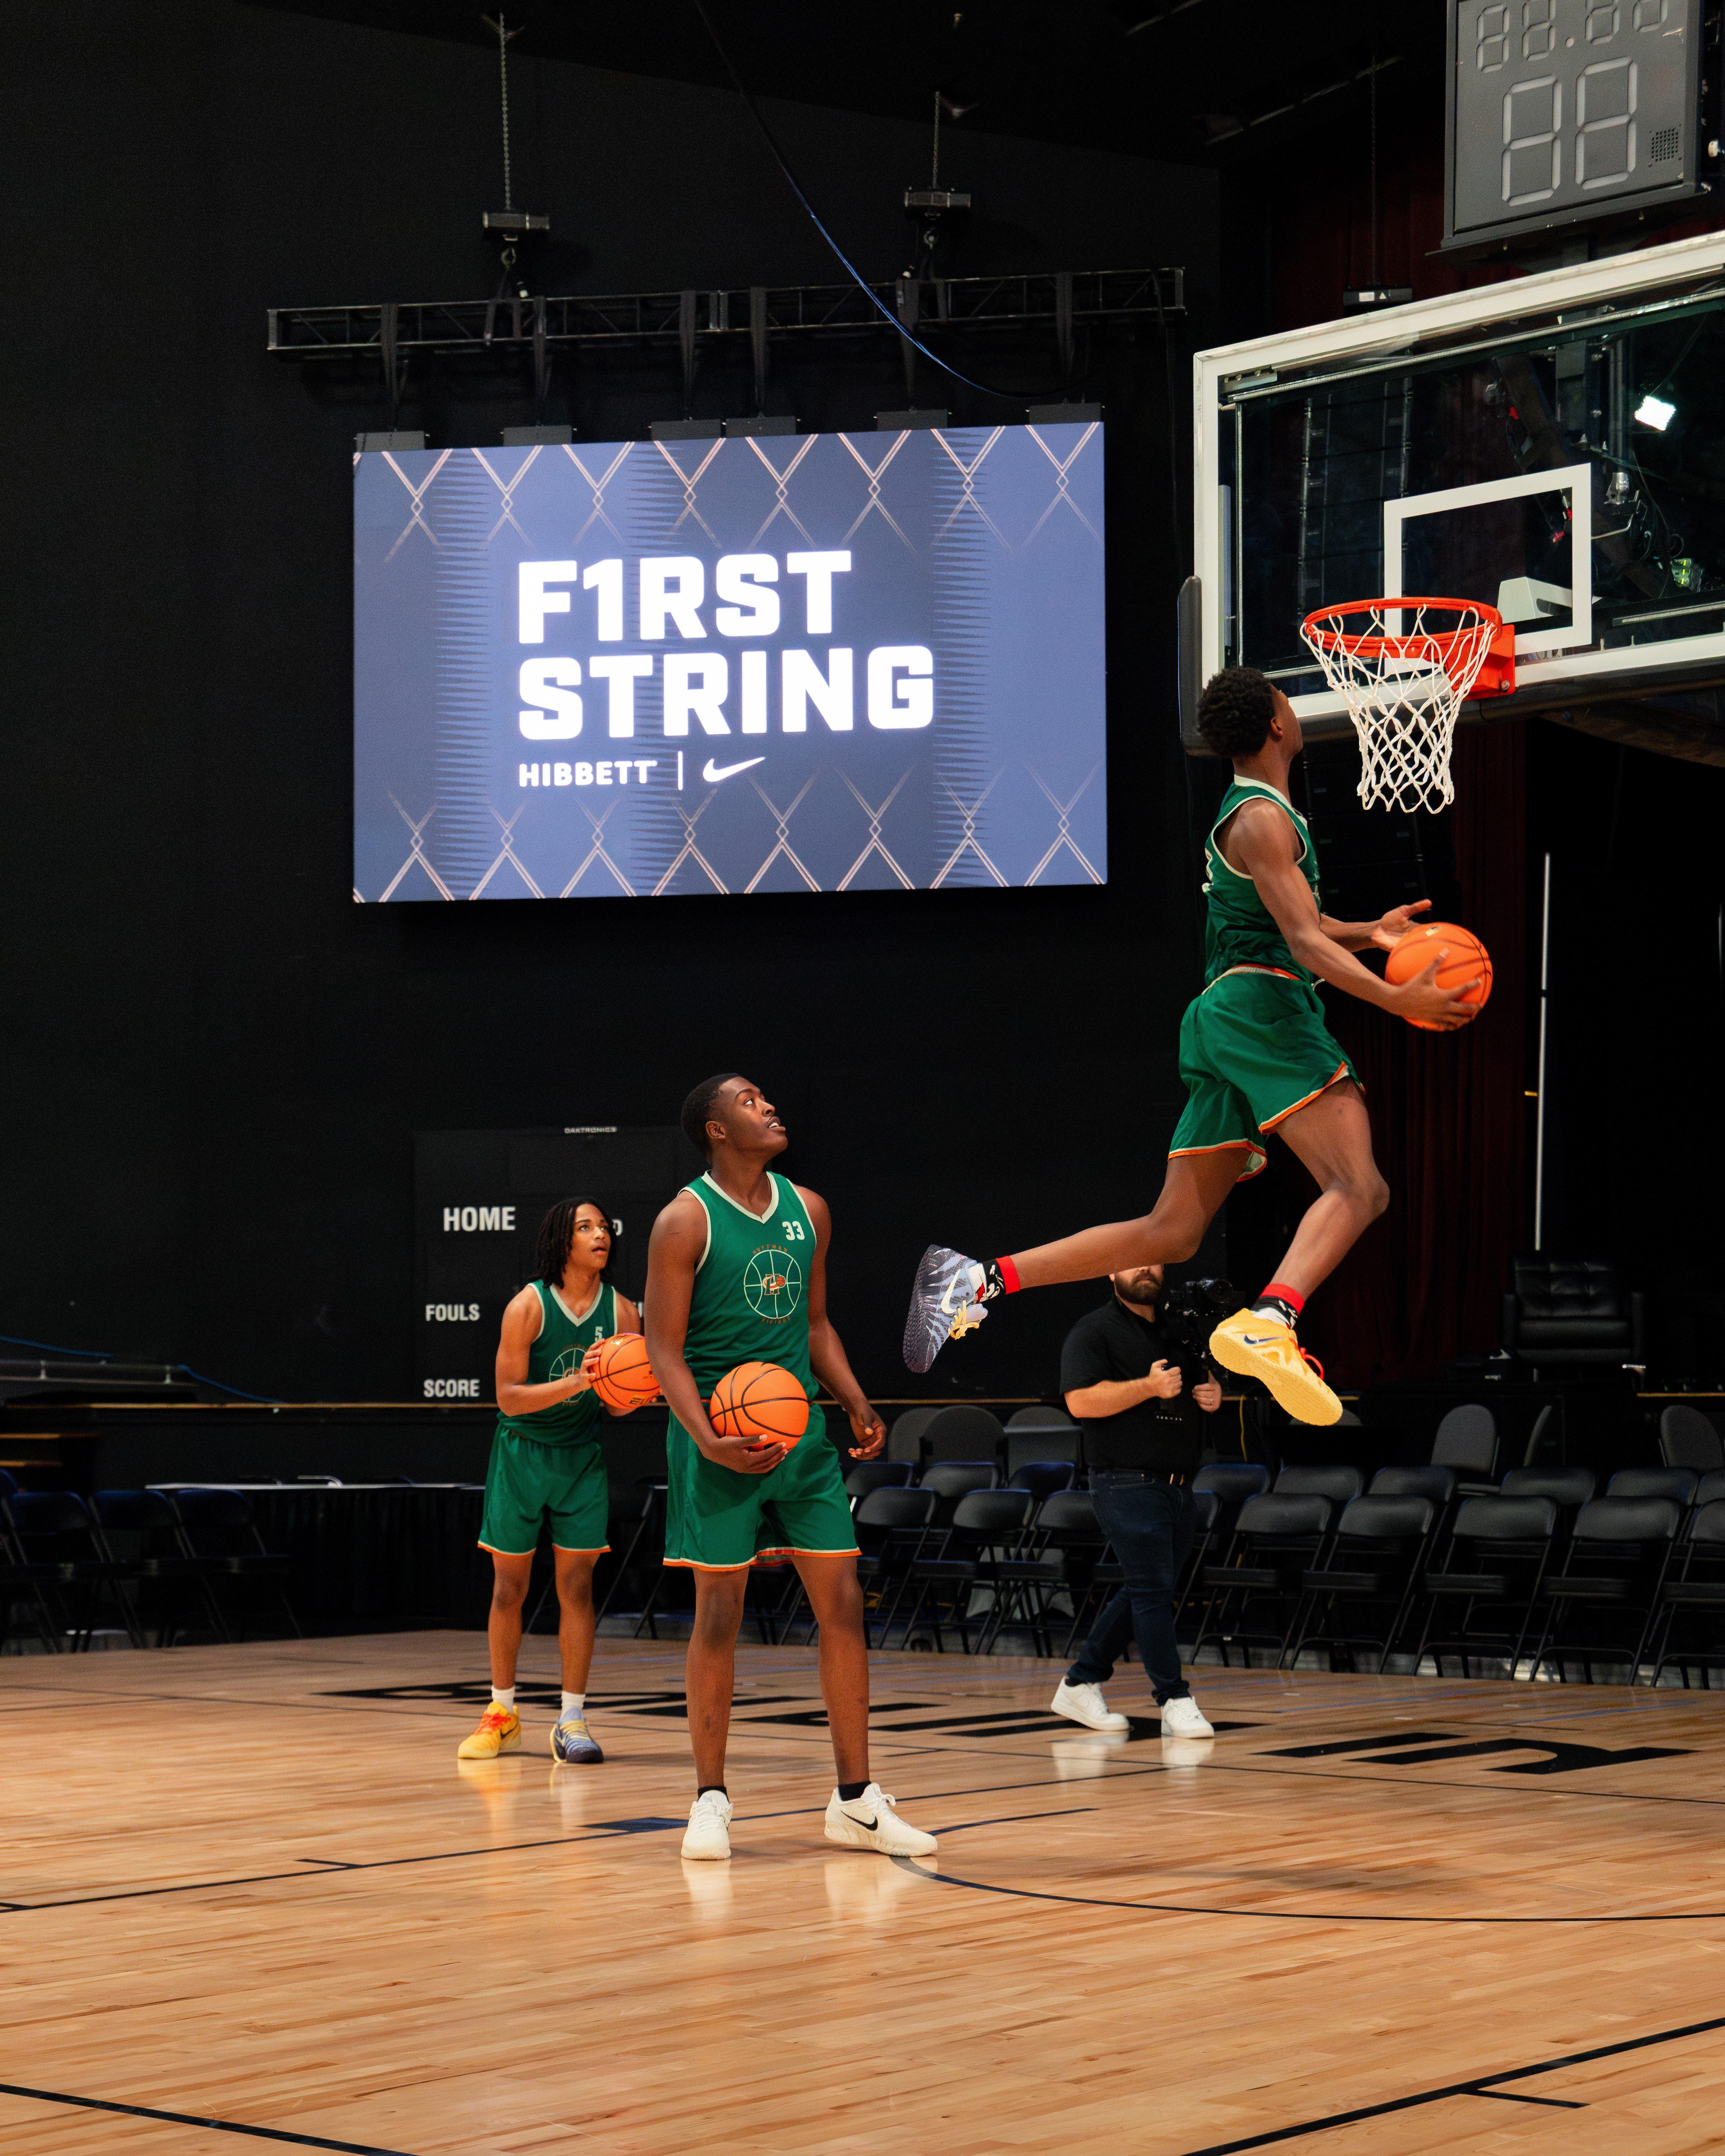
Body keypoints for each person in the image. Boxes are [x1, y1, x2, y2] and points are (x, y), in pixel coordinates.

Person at [903, 667, 1481, 1420]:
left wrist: (1370, 933)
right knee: (1360, 1186)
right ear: (1277, 722)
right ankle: (1272, 1318)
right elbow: (1302, 944)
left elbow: (1289, 922)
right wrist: (1394, 995)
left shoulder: (1257, 817)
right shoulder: (1264, 819)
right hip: (1261, 1008)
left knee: (1171, 1233)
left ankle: (977, 1279)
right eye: (1287, 700)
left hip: (1223, 1013)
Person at [645, 1073, 937, 1864]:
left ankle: (856, 1801)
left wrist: (856, 1400)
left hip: (799, 1435)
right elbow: (662, 1349)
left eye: (766, 1097)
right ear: (714, 1129)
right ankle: (709, 1797)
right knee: (719, 1613)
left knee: (842, 1600)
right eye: (747, 1100)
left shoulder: (809, 1210)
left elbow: (814, 1323)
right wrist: (707, 1438)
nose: (769, 1105)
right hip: (719, 1438)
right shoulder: (683, 1221)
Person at [458, 1198, 641, 1766]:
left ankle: (572, 1718)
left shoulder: (623, 1313)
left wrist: (631, 1389)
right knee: (509, 1588)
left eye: (604, 1227)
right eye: (585, 1227)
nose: (599, 1234)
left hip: (581, 1457)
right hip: (522, 1455)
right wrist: (580, 1381)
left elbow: (616, 1410)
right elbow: (507, 1396)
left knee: (578, 1589)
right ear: (561, 1241)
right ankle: (502, 1711)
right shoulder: (527, 1307)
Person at [1048, 1264, 1223, 1740]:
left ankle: (1081, 1682)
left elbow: (1199, 1379)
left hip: (1180, 1483)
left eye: (1153, 1258)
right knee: (1151, 1589)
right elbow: (1080, 1402)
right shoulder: (1094, 1330)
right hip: (1124, 1480)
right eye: (1131, 1258)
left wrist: (1211, 1391)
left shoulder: (1178, 1327)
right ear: (1109, 1270)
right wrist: (1147, 1387)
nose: (1144, 1267)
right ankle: (1173, 1698)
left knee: (1149, 1587)